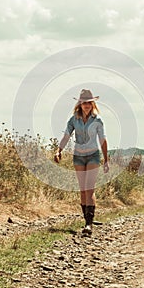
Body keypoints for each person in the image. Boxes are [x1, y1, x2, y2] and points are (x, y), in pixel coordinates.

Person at [54, 89, 109, 235]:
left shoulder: (97, 120)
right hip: (78, 156)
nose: (86, 105)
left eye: (89, 103)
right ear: (80, 104)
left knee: (89, 188)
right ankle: (87, 218)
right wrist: (58, 150)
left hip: (93, 156)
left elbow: (102, 140)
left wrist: (106, 160)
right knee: (82, 189)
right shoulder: (73, 120)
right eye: (84, 103)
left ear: (92, 104)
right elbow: (66, 136)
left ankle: (88, 224)